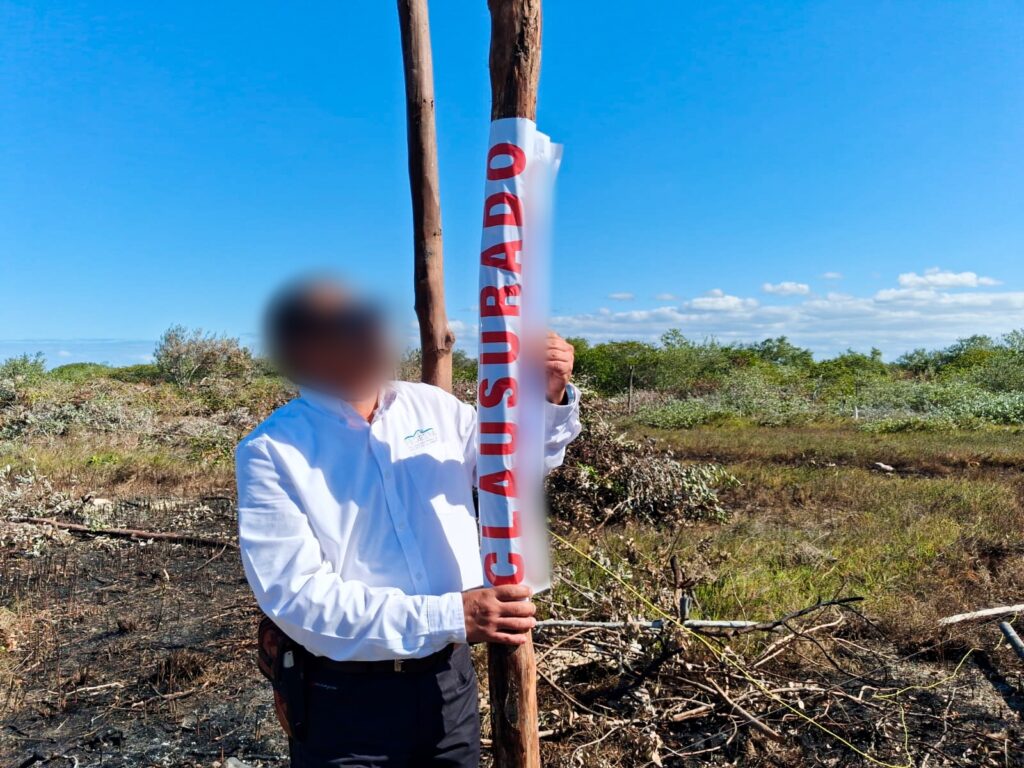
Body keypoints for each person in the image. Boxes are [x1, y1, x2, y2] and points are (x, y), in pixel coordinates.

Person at [235, 277, 581, 767]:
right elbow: (297, 597)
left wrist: (546, 396)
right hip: (343, 704)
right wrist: (453, 616)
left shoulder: (432, 407)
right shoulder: (271, 450)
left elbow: (511, 470)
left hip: (448, 685)